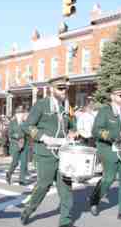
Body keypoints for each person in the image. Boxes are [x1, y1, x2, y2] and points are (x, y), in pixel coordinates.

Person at [20, 75, 78, 227]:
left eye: (65, 88)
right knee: (43, 185)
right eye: (60, 88)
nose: (64, 91)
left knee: (66, 188)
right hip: (45, 153)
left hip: (64, 153)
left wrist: (73, 132)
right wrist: (43, 137)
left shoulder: (67, 107)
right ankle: (28, 209)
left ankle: (65, 220)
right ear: (52, 89)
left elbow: (73, 125)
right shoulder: (41, 105)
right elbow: (27, 126)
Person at [89, 81, 121, 220]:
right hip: (107, 148)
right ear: (112, 96)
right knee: (109, 178)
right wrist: (113, 136)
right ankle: (95, 199)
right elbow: (96, 130)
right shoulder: (105, 111)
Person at [6, 106, 29, 186]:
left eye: (22, 113)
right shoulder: (13, 122)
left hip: (25, 144)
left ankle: (22, 179)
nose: (21, 114)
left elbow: (30, 131)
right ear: (16, 114)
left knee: (24, 162)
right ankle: (9, 173)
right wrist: (18, 137)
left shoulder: (25, 122)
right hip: (16, 144)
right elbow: (10, 133)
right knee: (15, 162)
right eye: (20, 113)